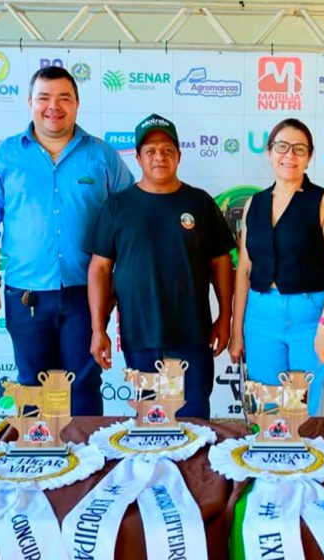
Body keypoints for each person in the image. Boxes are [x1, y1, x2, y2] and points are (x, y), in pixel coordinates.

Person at [0, 66, 134, 416]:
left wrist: (123, 285)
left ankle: (85, 452)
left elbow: (131, 219)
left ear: (77, 104)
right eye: (44, 98)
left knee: (83, 385)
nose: (53, 106)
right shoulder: (4, 156)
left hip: (87, 295)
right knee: (32, 388)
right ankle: (37, 451)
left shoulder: (101, 155)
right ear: (30, 102)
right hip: (26, 296)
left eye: (63, 98)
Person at [88, 114, 235, 419]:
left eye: (168, 150)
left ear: (179, 156)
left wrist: (225, 316)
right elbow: (100, 269)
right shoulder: (117, 206)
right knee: (152, 423)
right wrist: (98, 328)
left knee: (194, 422)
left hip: (193, 335)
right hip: (140, 336)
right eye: (151, 151)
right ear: (138, 158)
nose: (159, 157)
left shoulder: (200, 203)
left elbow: (221, 262)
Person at [229, 118, 324, 416]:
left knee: (312, 412)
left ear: (309, 156)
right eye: (282, 147)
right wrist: (237, 332)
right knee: (267, 409)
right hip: (261, 318)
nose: (290, 155)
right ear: (269, 152)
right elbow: (244, 271)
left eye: (299, 149)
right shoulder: (254, 204)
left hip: (311, 317)